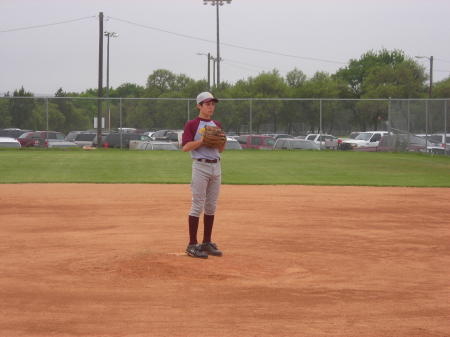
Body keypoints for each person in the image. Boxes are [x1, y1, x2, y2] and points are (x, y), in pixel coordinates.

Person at [181, 92, 226, 259]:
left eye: (213, 104)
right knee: (197, 205)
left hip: (216, 166)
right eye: (207, 104)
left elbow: (220, 149)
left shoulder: (217, 124)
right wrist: (202, 141)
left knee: (211, 206)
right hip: (200, 166)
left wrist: (223, 141)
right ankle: (192, 244)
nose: (211, 107)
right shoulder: (192, 124)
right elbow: (185, 147)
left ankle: (206, 242)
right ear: (199, 106)